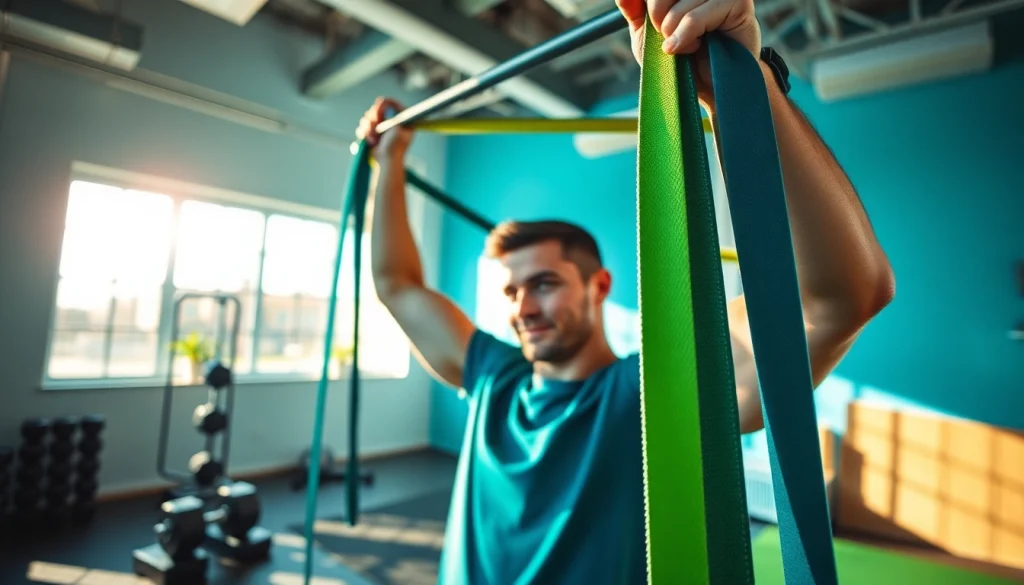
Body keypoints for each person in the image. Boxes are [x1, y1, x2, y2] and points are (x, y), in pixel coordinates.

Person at [357, 0, 895, 582]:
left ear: (600, 286)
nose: (523, 308)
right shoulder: (494, 377)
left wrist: (740, 87)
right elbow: (397, 284)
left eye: (543, 284)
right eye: (511, 292)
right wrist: (391, 163)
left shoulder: (648, 395)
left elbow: (840, 301)